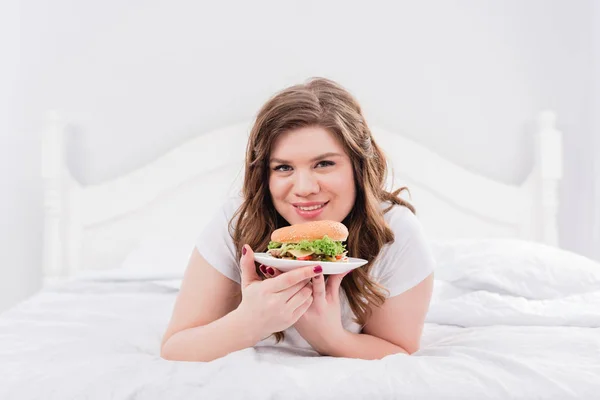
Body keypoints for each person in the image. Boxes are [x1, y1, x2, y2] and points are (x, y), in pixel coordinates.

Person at [160, 77, 435, 362]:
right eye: (283, 167)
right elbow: (176, 348)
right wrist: (249, 322)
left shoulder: (395, 231)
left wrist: (329, 337)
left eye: (324, 164)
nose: (304, 188)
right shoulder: (239, 220)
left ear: (358, 166)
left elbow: (400, 350)